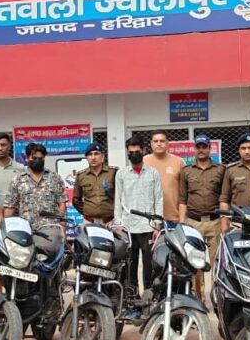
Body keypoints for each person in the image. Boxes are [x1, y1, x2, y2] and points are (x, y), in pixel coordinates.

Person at [114, 136, 163, 315]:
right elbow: (118, 200)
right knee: (130, 267)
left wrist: (157, 225)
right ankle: (133, 304)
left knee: (149, 267)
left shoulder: (153, 173)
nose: (134, 154)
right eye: (131, 152)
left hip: (148, 227)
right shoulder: (121, 174)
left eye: (137, 151)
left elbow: (159, 199)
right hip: (128, 228)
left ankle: (149, 303)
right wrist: (118, 225)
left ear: (143, 151)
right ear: (127, 153)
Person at [178, 134, 225, 298]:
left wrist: (225, 223)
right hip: (193, 222)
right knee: (195, 263)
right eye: (198, 147)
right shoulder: (186, 171)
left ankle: (217, 298)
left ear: (210, 149)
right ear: (194, 149)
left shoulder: (220, 170)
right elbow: (182, 199)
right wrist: (182, 223)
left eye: (204, 147)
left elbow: (225, 198)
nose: (201, 150)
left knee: (218, 263)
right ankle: (199, 299)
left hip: (215, 222)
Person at [5, 143, 68, 230]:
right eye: (34, 158)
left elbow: (62, 205)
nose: (37, 161)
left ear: (44, 158)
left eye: (40, 158)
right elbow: (10, 207)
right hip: (27, 231)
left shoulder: (55, 178)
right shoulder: (18, 180)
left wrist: (63, 229)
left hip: (51, 230)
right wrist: (7, 230)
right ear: (27, 157)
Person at [142, 130, 184, 223]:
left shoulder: (178, 162)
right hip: (149, 219)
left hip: (173, 219)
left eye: (162, 141)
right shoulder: (143, 162)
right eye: (156, 141)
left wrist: (182, 219)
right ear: (151, 144)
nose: (159, 144)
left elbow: (184, 192)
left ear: (167, 143)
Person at [72, 144, 117, 224]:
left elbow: (121, 197)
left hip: (111, 221)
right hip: (89, 221)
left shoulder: (113, 173)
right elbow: (76, 200)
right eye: (90, 154)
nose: (93, 157)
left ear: (102, 156)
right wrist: (87, 211)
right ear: (86, 158)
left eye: (96, 154)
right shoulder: (81, 176)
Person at [0, 133, 26, 207]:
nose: (0, 148)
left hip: (15, 212)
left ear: (9, 146)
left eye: (3, 145)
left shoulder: (20, 168)